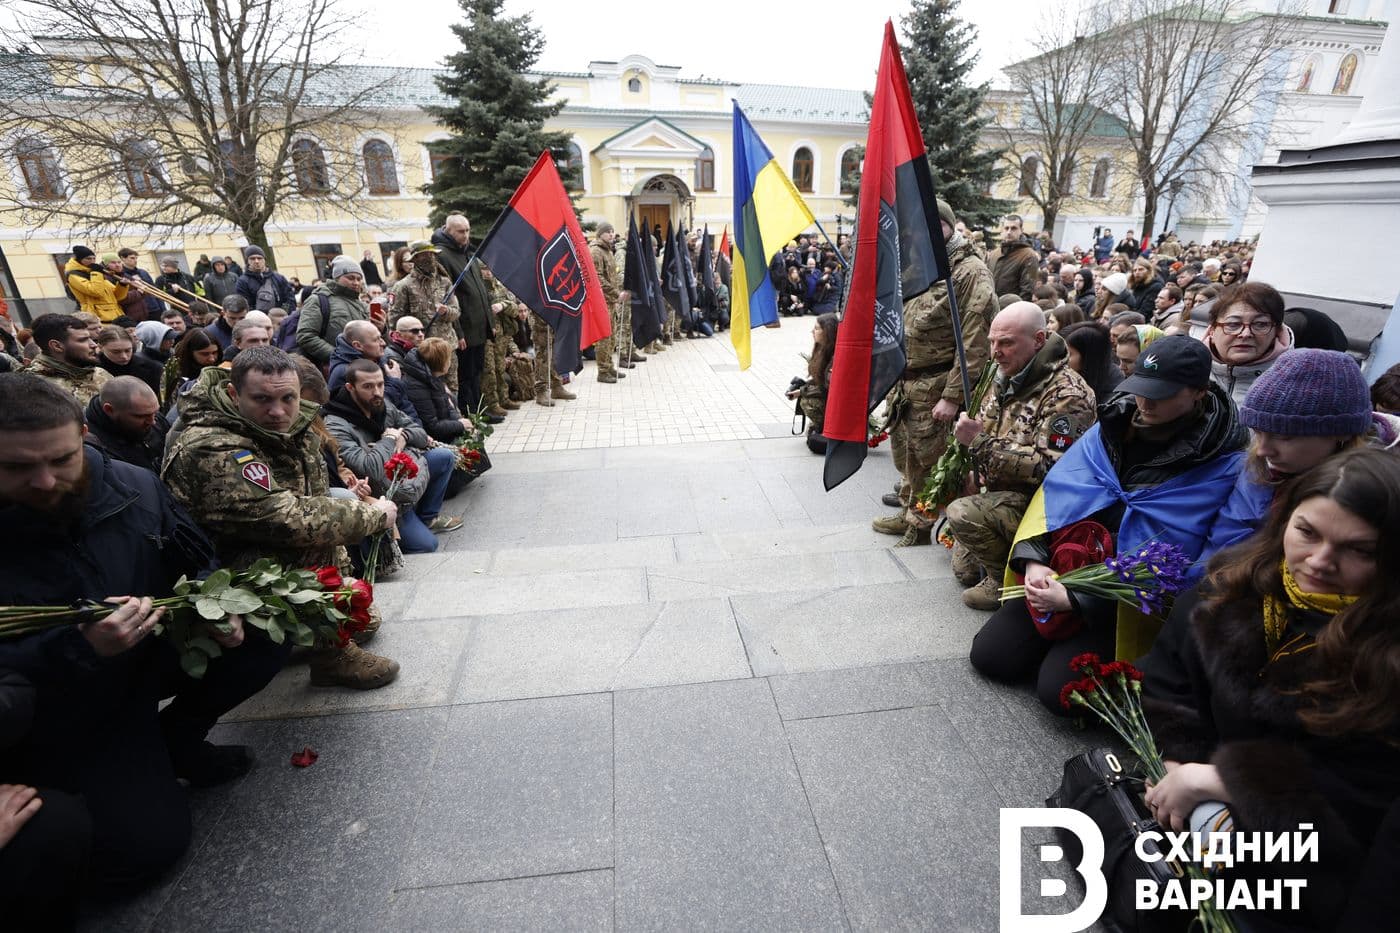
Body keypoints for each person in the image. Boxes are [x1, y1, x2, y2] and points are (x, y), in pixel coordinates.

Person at [0, 375, 285, 919]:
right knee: (142, 849)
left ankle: (177, 740)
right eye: (16, 468)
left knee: (266, 634)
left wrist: (212, 607)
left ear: (83, 435)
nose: (44, 481)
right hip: (54, 708)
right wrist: (81, 650)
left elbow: (196, 560)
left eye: (61, 459)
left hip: (144, 659)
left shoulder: (134, 485)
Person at [1140, 449, 1400, 933]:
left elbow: (1370, 792)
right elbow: (1169, 679)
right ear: (1285, 518)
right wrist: (1178, 762)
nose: (1320, 562)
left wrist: (1223, 782)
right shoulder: (1232, 587)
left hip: (1321, 847)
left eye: (1359, 550)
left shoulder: (1387, 650)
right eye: (1307, 532)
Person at [970, 336, 1247, 713]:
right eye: (1139, 389)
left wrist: (1080, 599)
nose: (1144, 403)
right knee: (991, 657)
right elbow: (1055, 499)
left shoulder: (1222, 461)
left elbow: (1186, 557)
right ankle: (1058, 643)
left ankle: (1077, 648)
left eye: (1160, 393)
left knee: (1060, 694)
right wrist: (1035, 561)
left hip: (1124, 602)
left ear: (1198, 392)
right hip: (1064, 568)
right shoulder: (1110, 428)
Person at [161, 348, 401, 688]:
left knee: (362, 617)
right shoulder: (211, 444)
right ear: (234, 394)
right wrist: (373, 515)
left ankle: (308, 636)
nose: (278, 411)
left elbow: (313, 500)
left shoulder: (291, 424)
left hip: (262, 549)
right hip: (218, 570)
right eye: (262, 399)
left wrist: (340, 588)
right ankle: (327, 657)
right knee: (309, 543)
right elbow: (284, 519)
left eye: (288, 397)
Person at [943, 303, 1097, 606]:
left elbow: (1049, 467)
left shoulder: (1067, 394)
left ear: (1038, 340)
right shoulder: (1003, 374)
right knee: (963, 570)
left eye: (1006, 342)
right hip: (1001, 490)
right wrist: (977, 466)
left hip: (1042, 507)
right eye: (992, 342)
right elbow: (989, 426)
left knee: (962, 513)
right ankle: (1000, 556)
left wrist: (979, 444)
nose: (995, 351)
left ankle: (1005, 583)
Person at [874, 198, 994, 546]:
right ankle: (908, 509)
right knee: (906, 455)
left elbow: (974, 341)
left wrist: (953, 396)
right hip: (906, 382)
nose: (922, 234)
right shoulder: (919, 265)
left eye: (932, 225)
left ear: (948, 226)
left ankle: (923, 523)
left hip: (937, 383)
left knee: (930, 460)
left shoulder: (969, 271)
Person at [1202, 349, 1400, 559]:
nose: (1262, 450)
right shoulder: (1259, 465)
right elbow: (1222, 546)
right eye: (1258, 433)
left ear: (1342, 433)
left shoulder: (1384, 493)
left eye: (1283, 437)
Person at [322, 358, 461, 553]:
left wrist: (404, 435)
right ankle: (404, 520)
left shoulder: (382, 404)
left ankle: (427, 517)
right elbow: (368, 469)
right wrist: (388, 439)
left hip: (401, 479)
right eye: (368, 386)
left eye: (380, 384)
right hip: (380, 493)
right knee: (427, 545)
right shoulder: (336, 423)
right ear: (350, 387)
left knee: (444, 456)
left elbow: (420, 432)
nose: (377, 392)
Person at [431, 214, 493, 414]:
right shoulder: (443, 255)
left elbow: (479, 290)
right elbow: (449, 296)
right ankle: (470, 412)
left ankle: (480, 410)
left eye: (467, 230)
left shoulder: (467, 253)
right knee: (466, 374)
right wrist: (459, 333)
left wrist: (488, 322)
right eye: (460, 231)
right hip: (464, 326)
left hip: (479, 324)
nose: (465, 235)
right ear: (448, 231)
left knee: (477, 372)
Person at [387, 241, 461, 396]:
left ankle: (456, 417)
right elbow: (395, 320)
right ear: (415, 259)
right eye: (424, 255)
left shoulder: (445, 282)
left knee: (452, 389)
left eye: (432, 254)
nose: (430, 258)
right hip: (422, 349)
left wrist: (445, 311)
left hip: (447, 345)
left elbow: (456, 312)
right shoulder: (403, 286)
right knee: (430, 390)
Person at [1203, 281, 1294, 405]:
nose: (1245, 334)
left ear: (1276, 332)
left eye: (1260, 324)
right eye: (1233, 324)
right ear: (1212, 331)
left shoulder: (1294, 385)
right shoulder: (1188, 372)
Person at [83, 375, 170, 472]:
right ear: (109, 410)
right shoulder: (94, 447)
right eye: (141, 416)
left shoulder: (152, 416)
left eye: (155, 412)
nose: (153, 421)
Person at [399, 337, 475, 444]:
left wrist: (459, 420)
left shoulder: (431, 377)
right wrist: (460, 425)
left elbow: (448, 407)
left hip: (443, 429)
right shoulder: (417, 386)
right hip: (432, 439)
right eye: (448, 358)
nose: (450, 362)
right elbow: (431, 427)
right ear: (441, 362)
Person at [297, 257, 370, 367]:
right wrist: (338, 356)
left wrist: (382, 328)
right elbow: (305, 336)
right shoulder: (318, 300)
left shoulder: (362, 305)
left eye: (359, 279)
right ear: (337, 277)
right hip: (334, 368)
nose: (356, 283)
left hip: (364, 367)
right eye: (350, 278)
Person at [27, 313, 112, 405]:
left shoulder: (98, 373)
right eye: (83, 340)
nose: (94, 345)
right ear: (57, 346)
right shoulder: (36, 387)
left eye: (90, 338)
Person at [786, 313, 839, 453]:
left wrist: (802, 392)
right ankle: (821, 426)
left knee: (807, 402)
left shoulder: (837, 356)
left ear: (827, 331)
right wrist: (800, 390)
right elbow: (818, 380)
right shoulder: (822, 350)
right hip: (827, 396)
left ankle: (826, 427)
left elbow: (827, 388)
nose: (812, 332)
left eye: (816, 328)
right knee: (804, 395)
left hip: (835, 402)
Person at [589, 222, 629, 385]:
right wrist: (615, 293)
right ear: (600, 234)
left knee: (611, 335)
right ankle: (602, 371)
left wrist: (616, 296)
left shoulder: (608, 251)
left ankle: (609, 366)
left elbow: (612, 275)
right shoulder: (596, 251)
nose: (612, 235)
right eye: (608, 232)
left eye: (613, 232)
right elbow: (597, 278)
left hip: (611, 301)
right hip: (601, 301)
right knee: (604, 337)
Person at [1060, 321, 1122, 404]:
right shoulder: (1061, 375)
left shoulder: (1114, 385)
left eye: (1068, 354)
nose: (1061, 359)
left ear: (1088, 357)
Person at [95, 324, 164, 398]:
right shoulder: (92, 370)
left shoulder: (153, 368)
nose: (124, 356)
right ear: (100, 348)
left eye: (128, 350)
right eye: (116, 352)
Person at [63, 246, 128, 322]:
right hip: (97, 317)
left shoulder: (94, 273)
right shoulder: (74, 275)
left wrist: (122, 285)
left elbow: (117, 297)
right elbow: (96, 292)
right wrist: (96, 273)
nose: (92, 261)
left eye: (94, 258)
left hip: (116, 315)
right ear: (79, 260)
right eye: (88, 259)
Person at [166, 327, 221, 405]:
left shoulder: (220, 369)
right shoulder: (176, 375)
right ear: (190, 353)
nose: (212, 359)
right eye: (205, 354)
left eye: (214, 353)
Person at [234, 246, 296, 315]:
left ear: (264, 260)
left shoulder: (279, 278)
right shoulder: (242, 281)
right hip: (258, 321)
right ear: (247, 261)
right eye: (252, 258)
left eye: (259, 258)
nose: (256, 261)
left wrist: (283, 313)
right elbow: (244, 305)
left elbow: (289, 298)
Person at [990, 214, 1039, 301]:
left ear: (1021, 230)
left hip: (1010, 308)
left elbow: (1027, 290)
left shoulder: (1029, 256)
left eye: (1014, 228)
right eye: (1006, 228)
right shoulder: (995, 253)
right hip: (990, 306)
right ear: (1002, 230)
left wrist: (1016, 311)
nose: (1009, 232)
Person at [117, 248, 163, 320]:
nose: (135, 260)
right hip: (138, 313)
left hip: (154, 309)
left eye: (136, 258)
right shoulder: (121, 275)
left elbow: (156, 291)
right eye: (132, 258)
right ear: (123, 258)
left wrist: (162, 309)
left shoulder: (143, 272)